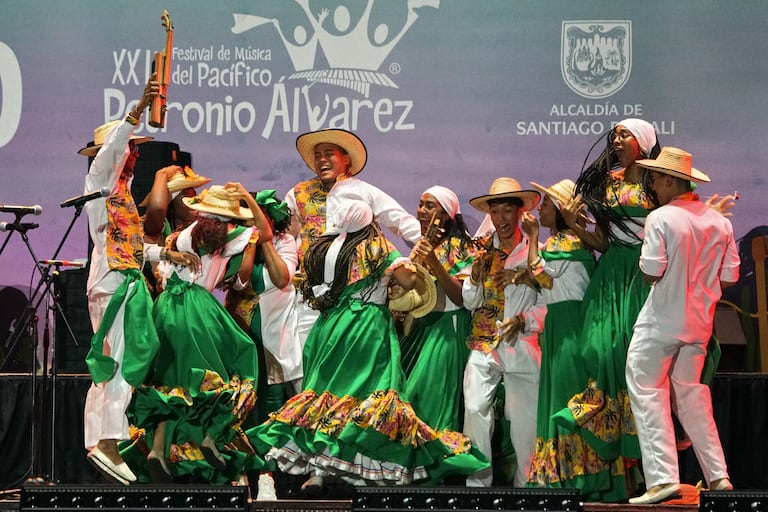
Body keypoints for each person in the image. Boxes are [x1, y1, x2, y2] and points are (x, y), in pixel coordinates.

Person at [250, 200, 488, 492]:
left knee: (327, 398)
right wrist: (403, 271)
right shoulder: (375, 247)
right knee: (368, 399)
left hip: (329, 327)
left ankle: (318, 472)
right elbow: (410, 279)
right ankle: (364, 469)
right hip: (365, 328)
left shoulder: (322, 248)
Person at [122, 183, 268, 485]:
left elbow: (150, 260)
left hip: (164, 309)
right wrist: (245, 197)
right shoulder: (233, 237)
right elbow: (263, 232)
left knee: (170, 381)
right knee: (224, 370)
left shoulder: (178, 236)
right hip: (198, 309)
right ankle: (209, 435)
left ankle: (158, 450)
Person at [625, 147, 738, 504]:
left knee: (646, 389)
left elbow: (651, 271)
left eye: (656, 177)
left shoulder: (660, 217)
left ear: (672, 180)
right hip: (699, 325)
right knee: (692, 395)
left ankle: (661, 479)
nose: (652, 183)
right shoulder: (720, 222)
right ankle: (718, 476)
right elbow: (730, 276)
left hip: (661, 321)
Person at [79, 75, 164, 485]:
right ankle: (109, 442)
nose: (131, 153)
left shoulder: (123, 194)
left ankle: (99, 441)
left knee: (114, 361)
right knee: (121, 360)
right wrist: (136, 110)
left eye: (132, 148)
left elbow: (131, 245)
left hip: (120, 280)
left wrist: (164, 253)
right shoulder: (98, 181)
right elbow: (109, 153)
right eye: (127, 147)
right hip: (112, 285)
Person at [285, 128, 421, 346]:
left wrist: (434, 244)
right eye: (318, 155)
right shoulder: (298, 193)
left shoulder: (363, 191)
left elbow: (399, 220)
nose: (322, 160)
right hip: (312, 291)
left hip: (354, 291)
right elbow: (286, 237)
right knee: (309, 355)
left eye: (329, 153)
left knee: (350, 357)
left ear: (345, 158)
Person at [462, 178, 546, 487]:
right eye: (495, 212)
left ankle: (528, 487)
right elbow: (471, 300)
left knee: (525, 420)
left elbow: (549, 303)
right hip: (484, 342)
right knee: (474, 409)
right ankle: (477, 486)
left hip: (521, 343)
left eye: (507, 211)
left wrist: (525, 319)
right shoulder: (483, 255)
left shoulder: (535, 255)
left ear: (521, 213)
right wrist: (472, 278)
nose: (501, 219)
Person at [521, 179, 598, 491]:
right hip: (560, 323)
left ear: (564, 211)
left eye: (547, 204)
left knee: (566, 394)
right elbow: (545, 284)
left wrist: (532, 238)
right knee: (560, 394)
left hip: (569, 325)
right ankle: (567, 473)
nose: (541, 209)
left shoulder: (567, 242)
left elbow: (539, 274)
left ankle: (575, 476)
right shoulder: (564, 243)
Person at [225, 189, 302, 500]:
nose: (251, 223)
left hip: (272, 334)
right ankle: (240, 472)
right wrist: (248, 244)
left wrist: (266, 240)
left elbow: (282, 278)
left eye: (257, 217)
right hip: (240, 331)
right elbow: (241, 282)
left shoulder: (285, 243)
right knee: (240, 405)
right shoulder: (236, 243)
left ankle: (268, 475)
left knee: (270, 406)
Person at [398, 186, 477, 432]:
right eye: (421, 204)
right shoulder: (421, 247)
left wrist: (433, 261)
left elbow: (461, 298)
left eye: (430, 206)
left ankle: (438, 462)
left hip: (447, 329)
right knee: (408, 400)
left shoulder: (462, 248)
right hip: (420, 329)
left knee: (428, 403)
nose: (421, 211)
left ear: (445, 215)